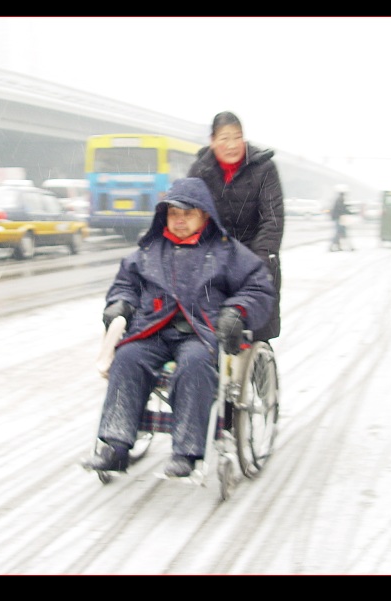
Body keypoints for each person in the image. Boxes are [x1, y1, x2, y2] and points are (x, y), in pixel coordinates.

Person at [81, 177, 276, 478]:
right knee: (127, 359)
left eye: (188, 213)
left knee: (195, 365)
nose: (180, 220)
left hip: (200, 332)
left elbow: (258, 288)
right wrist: (120, 303)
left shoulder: (227, 252)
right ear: (164, 216)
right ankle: (115, 446)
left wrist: (237, 311)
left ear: (204, 215)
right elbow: (125, 286)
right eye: (173, 214)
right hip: (152, 329)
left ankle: (186, 452)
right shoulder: (149, 251)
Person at [187, 111, 284, 343]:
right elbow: (189, 216)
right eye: (224, 138)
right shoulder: (200, 171)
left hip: (254, 256)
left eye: (237, 137)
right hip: (214, 259)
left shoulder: (264, 168)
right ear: (212, 141)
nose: (232, 145)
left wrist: (260, 262)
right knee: (206, 335)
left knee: (253, 331)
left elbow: (272, 219)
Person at [329, 187, 354, 252]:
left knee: (340, 233)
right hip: (339, 218)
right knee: (339, 233)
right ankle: (332, 247)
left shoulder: (339, 200)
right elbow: (341, 209)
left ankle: (338, 247)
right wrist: (349, 212)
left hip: (339, 218)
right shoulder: (340, 200)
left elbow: (342, 208)